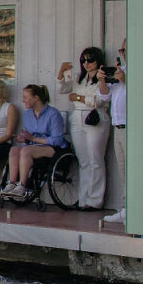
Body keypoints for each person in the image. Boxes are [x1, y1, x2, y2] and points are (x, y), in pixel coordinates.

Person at [57, 49, 111, 210]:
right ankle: (84, 199)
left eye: (90, 60)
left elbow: (99, 101)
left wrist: (78, 98)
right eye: (84, 61)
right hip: (77, 118)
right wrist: (61, 72)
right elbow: (63, 89)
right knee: (84, 161)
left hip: (95, 118)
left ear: (98, 61)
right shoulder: (79, 79)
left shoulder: (103, 78)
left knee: (96, 159)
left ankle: (95, 200)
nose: (86, 64)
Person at [0, 83, 67, 201]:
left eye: (26, 97)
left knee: (26, 150)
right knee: (15, 149)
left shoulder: (53, 114)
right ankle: (12, 183)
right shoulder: (28, 114)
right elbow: (30, 138)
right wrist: (25, 139)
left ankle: (23, 186)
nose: (23, 100)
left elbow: (57, 140)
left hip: (52, 148)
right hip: (33, 146)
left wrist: (33, 139)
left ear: (36, 98)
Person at [103, 39, 127, 224]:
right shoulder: (119, 72)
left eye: (125, 49)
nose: (123, 52)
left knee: (131, 170)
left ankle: (133, 209)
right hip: (117, 126)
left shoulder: (137, 72)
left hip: (131, 127)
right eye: (121, 49)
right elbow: (104, 95)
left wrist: (125, 80)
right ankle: (126, 208)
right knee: (123, 170)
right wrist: (103, 79)